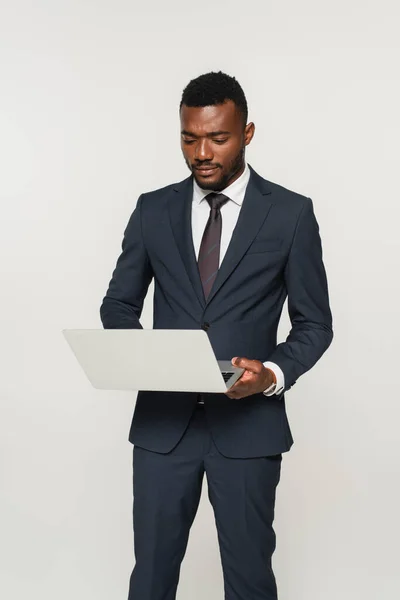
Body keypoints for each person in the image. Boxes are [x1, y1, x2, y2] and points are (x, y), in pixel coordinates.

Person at [100, 71, 333, 600]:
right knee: (151, 579)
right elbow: (119, 303)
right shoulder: (152, 209)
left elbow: (315, 323)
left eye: (218, 138)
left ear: (247, 134)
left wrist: (271, 374)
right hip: (163, 429)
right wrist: (137, 352)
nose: (201, 152)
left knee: (250, 582)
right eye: (189, 137)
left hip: (248, 429)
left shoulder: (291, 214)